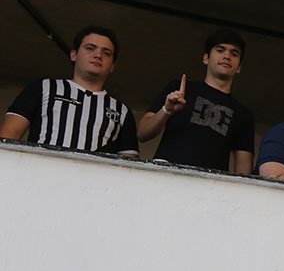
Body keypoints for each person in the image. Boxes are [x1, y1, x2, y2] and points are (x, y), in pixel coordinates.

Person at [0, 25, 138, 156]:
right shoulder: (43, 87)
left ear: (112, 66)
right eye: (90, 48)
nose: (98, 55)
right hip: (39, 175)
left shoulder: (121, 111)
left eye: (106, 53)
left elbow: (128, 164)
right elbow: (8, 136)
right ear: (74, 55)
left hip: (91, 179)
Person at [137, 29, 254, 173]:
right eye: (220, 50)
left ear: (239, 67)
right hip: (165, 176)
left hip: (210, 187)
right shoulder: (180, 89)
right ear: (206, 58)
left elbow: (244, 169)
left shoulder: (244, 114)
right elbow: (142, 134)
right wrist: (166, 110)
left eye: (234, 53)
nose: (227, 56)